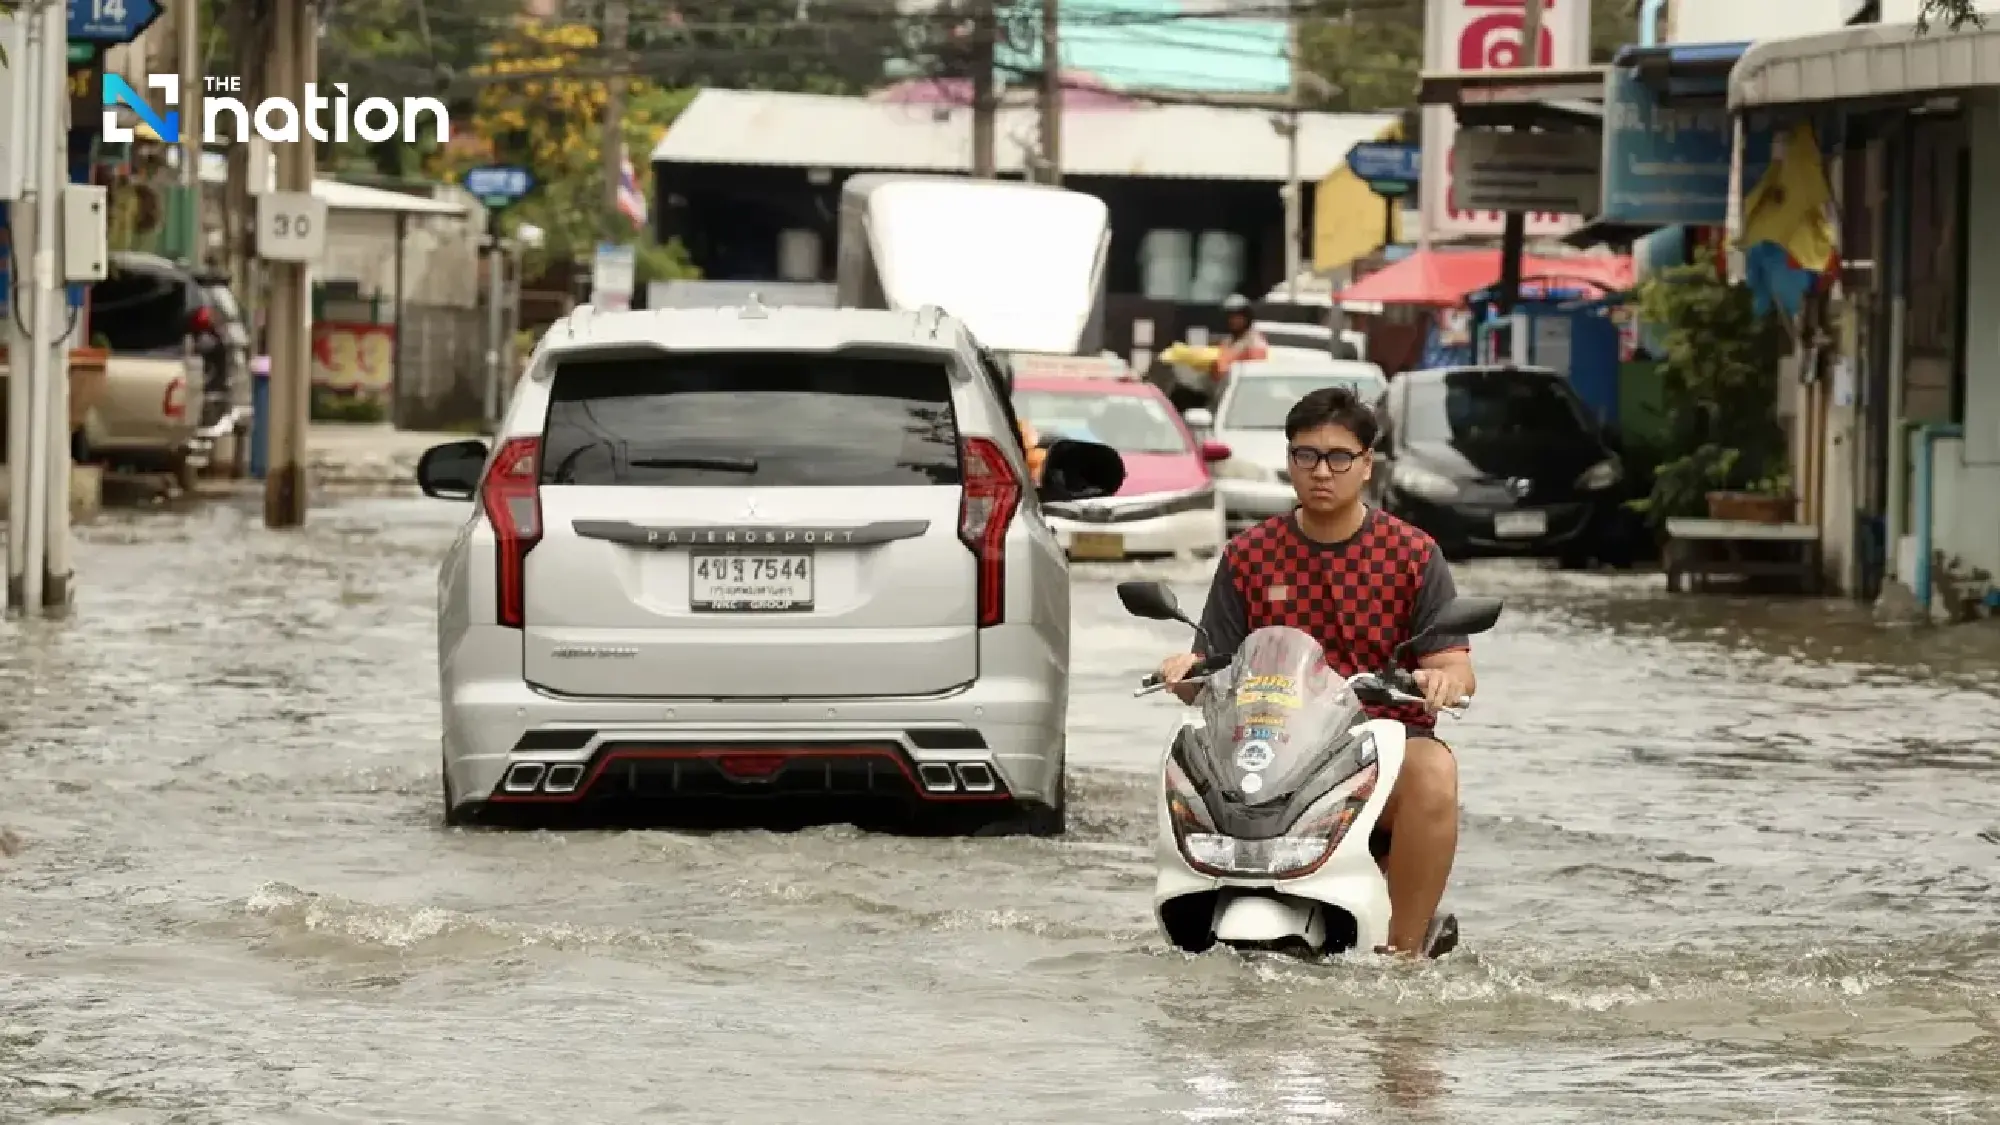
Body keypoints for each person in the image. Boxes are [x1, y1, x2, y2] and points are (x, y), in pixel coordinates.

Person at [1154, 385, 1476, 958]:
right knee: (1186, 759)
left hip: (1380, 743)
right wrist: (1184, 671)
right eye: (1306, 455)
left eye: (1338, 457)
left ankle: (1402, 955)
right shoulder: (1248, 555)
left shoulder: (1414, 554)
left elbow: (1454, 664)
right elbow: (1213, 668)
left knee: (1435, 772)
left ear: (1366, 464)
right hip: (1269, 740)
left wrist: (1444, 681)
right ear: (1289, 461)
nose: (1321, 471)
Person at [1211, 294, 1268, 384]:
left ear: (1247, 317)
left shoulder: (1255, 343)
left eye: (1238, 317)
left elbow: (1254, 376)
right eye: (1231, 317)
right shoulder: (1227, 340)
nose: (1233, 321)